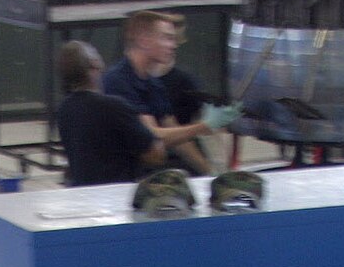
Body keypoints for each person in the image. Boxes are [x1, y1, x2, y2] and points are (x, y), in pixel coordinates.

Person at [100, 10, 227, 176]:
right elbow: (152, 135)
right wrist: (203, 126)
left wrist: (211, 173)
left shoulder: (153, 84)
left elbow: (178, 139)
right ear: (144, 41)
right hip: (113, 180)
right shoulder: (117, 82)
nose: (173, 45)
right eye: (166, 38)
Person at [54, 40, 163, 188]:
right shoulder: (115, 107)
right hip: (116, 197)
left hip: (81, 196)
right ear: (95, 63)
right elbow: (156, 154)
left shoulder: (64, 110)